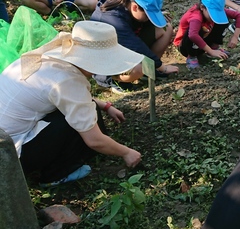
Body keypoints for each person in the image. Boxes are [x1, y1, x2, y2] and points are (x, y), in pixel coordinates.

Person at [0, 21, 144, 186]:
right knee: (71, 123)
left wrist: (104, 105)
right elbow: (94, 140)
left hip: (6, 139)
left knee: (87, 110)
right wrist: (127, 152)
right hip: (10, 155)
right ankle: (55, 174)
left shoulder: (49, 58)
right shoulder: (68, 80)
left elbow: (62, 95)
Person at [90, 0, 179, 93]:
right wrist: (161, 67)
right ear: (135, 7)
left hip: (124, 47)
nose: (148, 18)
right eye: (148, 15)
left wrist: (157, 16)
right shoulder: (113, 19)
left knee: (165, 28)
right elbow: (135, 46)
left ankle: (149, 71)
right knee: (138, 69)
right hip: (107, 59)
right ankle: (114, 81)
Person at [174, 0, 240, 69]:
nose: (213, 16)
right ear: (202, 7)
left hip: (203, 40)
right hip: (186, 46)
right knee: (196, 30)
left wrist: (235, 37)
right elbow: (193, 35)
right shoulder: (195, 17)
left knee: (223, 20)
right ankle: (192, 56)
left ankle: (214, 47)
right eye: (212, 14)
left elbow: (239, 16)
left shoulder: (211, 8)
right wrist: (211, 52)